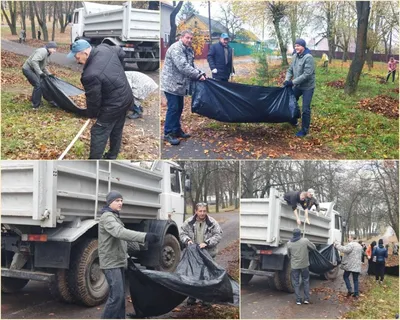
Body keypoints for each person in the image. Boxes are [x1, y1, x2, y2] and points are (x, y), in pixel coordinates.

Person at [68, 39, 134, 159]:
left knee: (98, 131)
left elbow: (94, 100)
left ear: (85, 53)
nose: (77, 61)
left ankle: (94, 162)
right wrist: (119, 71)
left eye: (77, 58)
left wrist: (92, 115)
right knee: (116, 128)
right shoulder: (104, 48)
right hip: (126, 96)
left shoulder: (90, 75)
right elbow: (120, 52)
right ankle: (112, 156)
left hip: (114, 105)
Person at [99, 190, 160, 319]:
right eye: (117, 201)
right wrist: (144, 236)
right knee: (116, 297)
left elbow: (121, 240)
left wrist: (133, 252)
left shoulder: (114, 216)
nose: (120, 203)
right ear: (110, 202)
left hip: (118, 260)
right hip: (111, 263)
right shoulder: (107, 217)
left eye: (121, 200)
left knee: (120, 297)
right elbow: (120, 233)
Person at [160, 30, 206, 145]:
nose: (189, 40)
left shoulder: (188, 49)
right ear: (181, 37)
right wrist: (197, 75)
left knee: (179, 108)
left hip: (180, 85)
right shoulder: (176, 48)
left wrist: (200, 72)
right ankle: (168, 133)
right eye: (187, 38)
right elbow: (183, 66)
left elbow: (191, 65)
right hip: (171, 84)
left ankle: (176, 130)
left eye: (191, 38)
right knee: (173, 108)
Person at [180, 202, 223, 306]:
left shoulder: (212, 223)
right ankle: (192, 297)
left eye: (204, 211)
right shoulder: (188, 222)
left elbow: (218, 235)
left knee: (207, 276)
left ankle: (206, 299)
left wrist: (207, 243)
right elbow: (182, 233)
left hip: (208, 254)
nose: (202, 213)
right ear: (196, 211)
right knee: (194, 275)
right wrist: (187, 241)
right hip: (194, 254)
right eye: (200, 211)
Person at [283, 38, 316, 138]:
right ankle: (293, 120)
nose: (296, 47)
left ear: (303, 46)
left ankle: (304, 130)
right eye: (295, 45)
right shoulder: (295, 56)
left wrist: (292, 82)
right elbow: (290, 70)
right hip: (298, 85)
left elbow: (307, 75)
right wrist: (287, 80)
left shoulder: (308, 57)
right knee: (291, 100)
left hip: (307, 87)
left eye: (298, 45)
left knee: (305, 108)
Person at [22, 41, 58, 110]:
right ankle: (35, 105)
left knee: (39, 85)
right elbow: (34, 61)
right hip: (28, 69)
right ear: (49, 47)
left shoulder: (47, 53)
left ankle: (35, 100)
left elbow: (43, 66)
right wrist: (40, 73)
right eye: (54, 49)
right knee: (38, 85)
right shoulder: (43, 51)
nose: (55, 51)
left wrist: (49, 74)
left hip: (34, 70)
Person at [287, 228, 316, 305]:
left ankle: (298, 300)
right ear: (300, 234)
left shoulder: (289, 243)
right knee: (306, 281)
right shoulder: (305, 241)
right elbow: (313, 248)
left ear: (293, 234)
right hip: (304, 265)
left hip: (294, 266)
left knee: (296, 283)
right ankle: (306, 299)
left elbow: (288, 255)